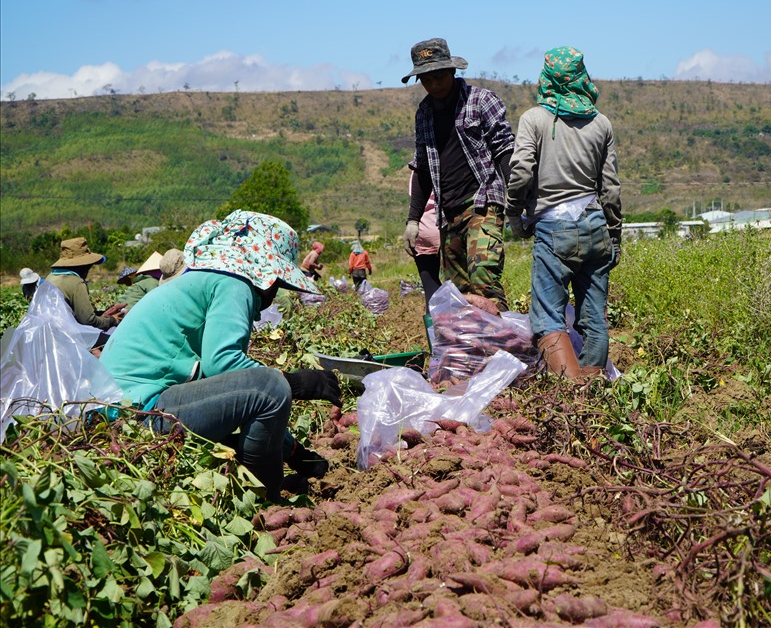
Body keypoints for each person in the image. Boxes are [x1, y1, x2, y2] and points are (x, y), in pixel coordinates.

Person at [100, 210, 341, 503]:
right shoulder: (233, 283)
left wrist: (294, 452)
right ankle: (264, 499)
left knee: (257, 400)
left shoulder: (205, 281)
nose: (275, 293)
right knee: (270, 387)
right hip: (139, 413)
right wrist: (298, 383)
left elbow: (226, 389)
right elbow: (225, 367)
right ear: (265, 274)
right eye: (277, 283)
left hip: (120, 413)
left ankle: (261, 479)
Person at [505, 46, 622, 379]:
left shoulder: (534, 119)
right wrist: (614, 235)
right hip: (596, 223)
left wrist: (514, 213)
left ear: (546, 77)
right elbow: (610, 188)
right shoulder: (601, 124)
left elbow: (522, 172)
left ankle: (572, 398)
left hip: (555, 229)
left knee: (547, 317)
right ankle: (594, 388)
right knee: (594, 316)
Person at [400, 38, 515, 312]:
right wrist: (413, 220)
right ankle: (473, 352)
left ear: (452, 71)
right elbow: (424, 168)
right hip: (447, 215)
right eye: (426, 79)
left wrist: (518, 200)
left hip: (482, 204)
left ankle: (503, 347)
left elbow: (504, 151)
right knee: (461, 296)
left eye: (438, 76)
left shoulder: (480, 101)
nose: (433, 84)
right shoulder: (425, 113)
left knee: (484, 280)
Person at [44, 237, 126, 340]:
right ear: (84, 266)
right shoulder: (75, 282)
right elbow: (88, 321)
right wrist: (112, 320)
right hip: (66, 337)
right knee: (115, 341)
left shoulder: (51, 277)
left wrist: (103, 314)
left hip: (50, 333)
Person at [407, 171, 441, 309]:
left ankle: (433, 329)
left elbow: (415, 200)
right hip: (444, 228)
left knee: (431, 291)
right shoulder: (451, 160)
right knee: (457, 288)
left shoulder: (417, 170)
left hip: (422, 231)